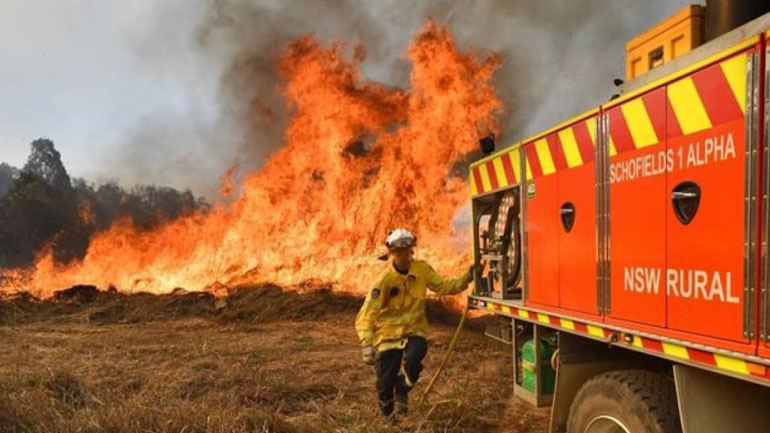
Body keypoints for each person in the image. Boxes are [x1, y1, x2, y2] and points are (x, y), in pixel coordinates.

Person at [355, 228, 474, 418]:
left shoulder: (422, 269)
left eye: (407, 250)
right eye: (398, 251)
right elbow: (367, 314)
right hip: (388, 337)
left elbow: (443, 286)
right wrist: (366, 344)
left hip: (415, 331)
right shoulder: (385, 280)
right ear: (391, 253)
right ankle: (388, 416)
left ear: (412, 250)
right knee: (384, 384)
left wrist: (466, 278)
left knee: (414, 360)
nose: (403, 255)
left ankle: (403, 388)